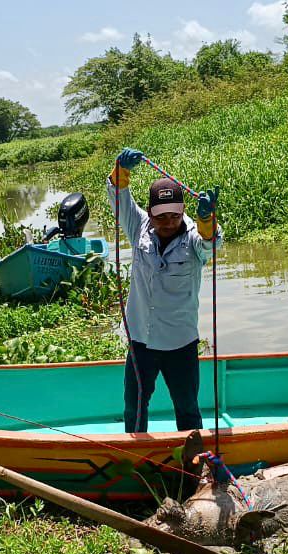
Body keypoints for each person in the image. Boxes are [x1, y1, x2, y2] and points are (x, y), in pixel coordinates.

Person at [107, 147, 222, 433]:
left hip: (180, 342)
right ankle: (137, 452)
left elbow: (211, 244)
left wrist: (207, 220)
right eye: (161, 216)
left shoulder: (194, 237)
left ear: (183, 212)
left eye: (174, 215)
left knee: (187, 407)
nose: (168, 222)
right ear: (150, 213)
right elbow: (118, 198)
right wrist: (121, 171)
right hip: (141, 340)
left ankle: (192, 454)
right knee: (134, 406)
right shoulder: (138, 227)